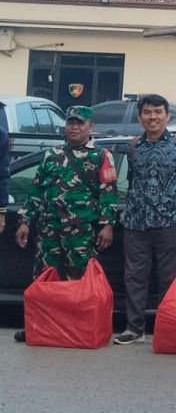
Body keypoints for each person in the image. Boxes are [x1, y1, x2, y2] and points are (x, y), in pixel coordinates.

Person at [14, 106, 118, 342]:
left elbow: (109, 193)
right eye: (71, 123)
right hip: (49, 229)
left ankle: (76, 329)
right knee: (45, 279)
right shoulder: (51, 154)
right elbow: (37, 190)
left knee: (78, 281)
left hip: (81, 231)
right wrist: (25, 221)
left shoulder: (101, 156)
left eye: (80, 123)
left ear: (90, 126)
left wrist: (107, 224)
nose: (74, 127)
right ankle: (39, 327)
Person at [114, 94, 176, 345]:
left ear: (167, 115)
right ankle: (134, 328)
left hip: (170, 221)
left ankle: (167, 327)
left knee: (169, 277)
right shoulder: (133, 146)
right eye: (147, 112)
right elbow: (132, 180)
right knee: (134, 276)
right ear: (139, 116)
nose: (152, 117)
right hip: (136, 222)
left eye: (157, 112)